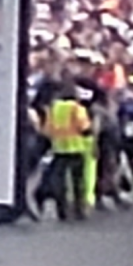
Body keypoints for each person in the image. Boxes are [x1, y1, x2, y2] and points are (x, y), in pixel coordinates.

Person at [39, 82, 93, 221]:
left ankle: (62, 210)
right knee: (78, 181)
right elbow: (84, 128)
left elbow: (47, 130)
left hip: (59, 149)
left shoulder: (54, 108)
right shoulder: (77, 108)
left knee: (60, 181)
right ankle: (79, 209)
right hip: (76, 148)